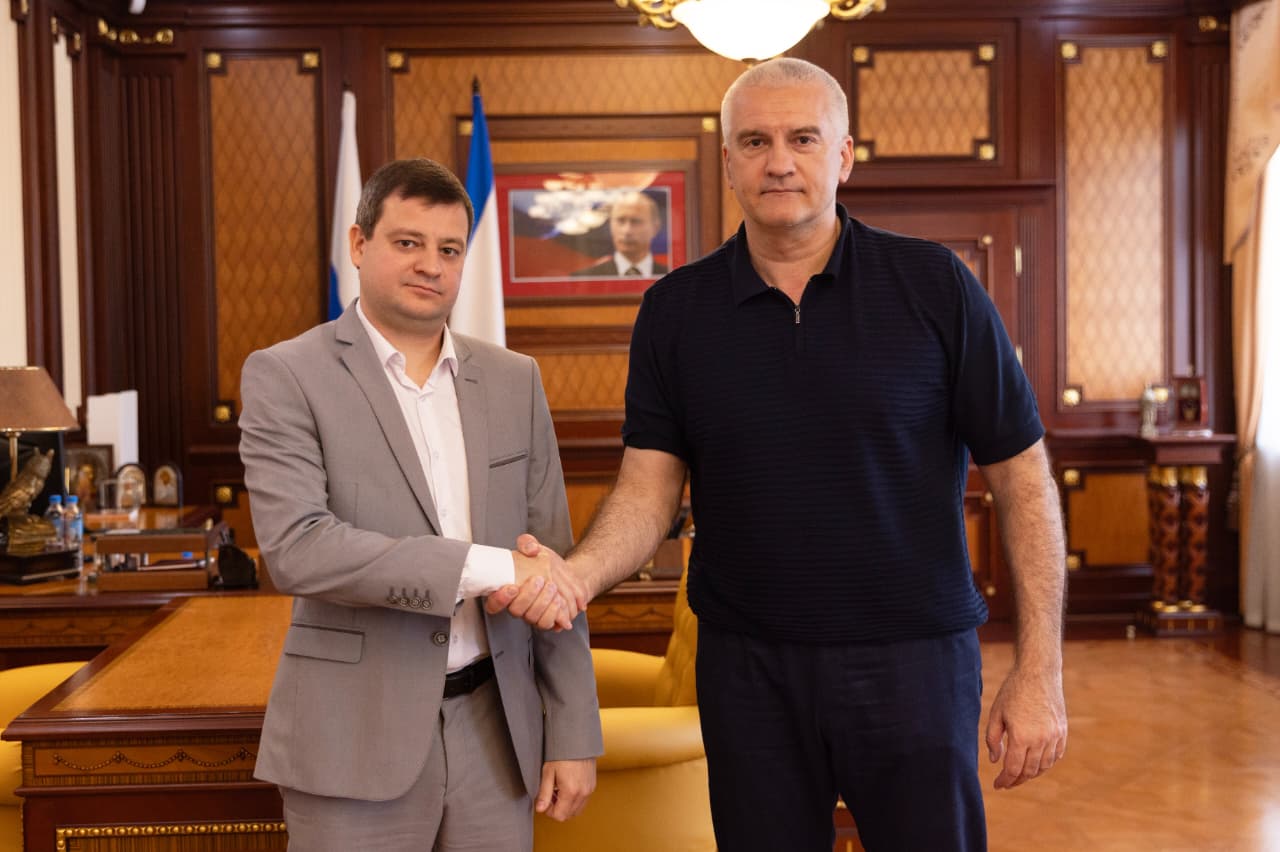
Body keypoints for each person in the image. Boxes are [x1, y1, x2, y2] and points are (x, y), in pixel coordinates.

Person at [490, 58, 1068, 851]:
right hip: (747, 672)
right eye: (756, 142)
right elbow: (647, 493)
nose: (779, 162)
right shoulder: (674, 312)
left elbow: (1024, 481)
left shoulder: (936, 286)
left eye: (803, 138)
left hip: (915, 663)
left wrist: (1040, 671)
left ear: (844, 155)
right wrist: (576, 577)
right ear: (729, 162)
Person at [239, 157, 601, 852]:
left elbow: (552, 565)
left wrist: (573, 731)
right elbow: (299, 549)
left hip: (497, 734)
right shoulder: (287, 374)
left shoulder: (515, 379)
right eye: (408, 242)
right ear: (359, 244)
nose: (431, 265)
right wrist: (491, 567)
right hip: (353, 736)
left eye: (449, 249)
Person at [572, 191, 669, 277]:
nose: (627, 231)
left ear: (655, 228)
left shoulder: (671, 279)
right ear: (610, 225)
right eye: (620, 221)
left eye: (636, 221)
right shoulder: (582, 279)